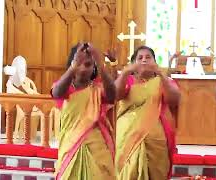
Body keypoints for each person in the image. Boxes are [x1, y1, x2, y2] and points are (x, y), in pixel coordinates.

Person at [114, 46, 181, 179]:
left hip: (156, 138)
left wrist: (161, 74)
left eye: (148, 57)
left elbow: (174, 100)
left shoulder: (162, 81)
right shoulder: (128, 80)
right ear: (133, 64)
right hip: (128, 135)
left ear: (155, 62)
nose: (144, 60)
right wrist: (125, 72)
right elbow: (115, 95)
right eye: (140, 58)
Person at [52, 43, 115, 180]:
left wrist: (101, 64)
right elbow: (56, 93)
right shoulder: (65, 87)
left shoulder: (98, 89)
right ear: (72, 63)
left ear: (94, 68)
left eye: (88, 64)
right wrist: (72, 67)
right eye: (78, 63)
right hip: (71, 147)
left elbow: (112, 96)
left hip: (97, 149)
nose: (82, 68)